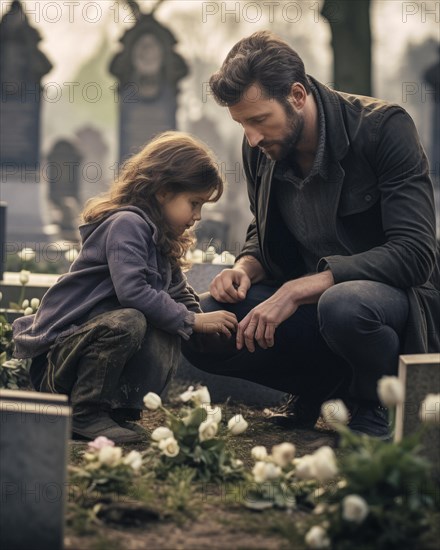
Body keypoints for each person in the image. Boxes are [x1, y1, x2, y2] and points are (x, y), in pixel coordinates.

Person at [182, 31, 440, 439]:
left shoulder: (384, 129)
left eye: (259, 120)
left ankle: (372, 403)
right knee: (205, 328)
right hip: (307, 306)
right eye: (242, 123)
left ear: (298, 95)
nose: (251, 137)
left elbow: (415, 253)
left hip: (391, 302)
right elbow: (263, 226)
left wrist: (301, 289)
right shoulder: (261, 148)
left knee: (343, 305)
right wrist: (248, 266)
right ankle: (318, 389)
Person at [12, 132, 237, 444]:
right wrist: (192, 321)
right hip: (57, 364)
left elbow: (178, 292)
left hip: (84, 349)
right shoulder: (127, 224)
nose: (197, 217)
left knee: (164, 320)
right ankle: (84, 412)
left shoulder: (159, 236)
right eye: (194, 203)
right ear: (163, 191)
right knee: (132, 319)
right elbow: (132, 291)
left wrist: (200, 326)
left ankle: (117, 413)